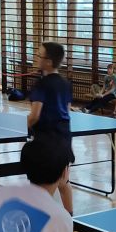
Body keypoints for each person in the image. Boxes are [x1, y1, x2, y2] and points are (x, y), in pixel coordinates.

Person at [27, 41, 74, 216]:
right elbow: (67, 110)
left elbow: (35, 115)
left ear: (48, 61)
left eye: (39, 55)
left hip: (47, 142)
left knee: (44, 186)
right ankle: (69, 218)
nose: (36, 57)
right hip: (64, 139)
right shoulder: (65, 83)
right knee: (63, 181)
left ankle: (39, 220)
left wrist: (25, 127)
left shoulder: (41, 84)